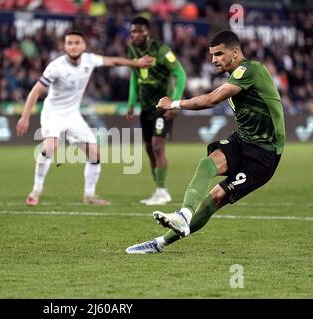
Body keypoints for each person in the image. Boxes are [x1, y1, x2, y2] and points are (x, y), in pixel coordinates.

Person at [126, 30, 285, 254]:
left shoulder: (250, 70)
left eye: (219, 54)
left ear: (236, 52)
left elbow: (210, 100)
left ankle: (161, 242)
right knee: (207, 163)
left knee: (215, 198)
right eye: (212, 55)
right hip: (243, 140)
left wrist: (174, 104)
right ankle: (183, 216)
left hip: (264, 155)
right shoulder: (236, 76)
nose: (214, 60)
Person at [16, 29, 152, 206]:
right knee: (50, 147)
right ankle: (36, 189)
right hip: (53, 113)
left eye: (77, 42)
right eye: (69, 43)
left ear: (84, 45)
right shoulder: (56, 67)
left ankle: (89, 195)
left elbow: (113, 61)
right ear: (64, 46)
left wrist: (135, 63)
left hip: (73, 115)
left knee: (95, 153)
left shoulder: (89, 60)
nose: (73, 46)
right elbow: (35, 91)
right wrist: (25, 117)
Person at [126, 16, 187, 205]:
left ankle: (162, 192)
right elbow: (135, 77)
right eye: (133, 31)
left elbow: (180, 74)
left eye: (140, 31)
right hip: (145, 108)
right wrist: (131, 103)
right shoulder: (132, 51)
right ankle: (159, 190)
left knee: (158, 146)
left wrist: (174, 103)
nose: (136, 34)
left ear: (148, 32)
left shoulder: (161, 51)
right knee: (149, 149)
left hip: (162, 107)